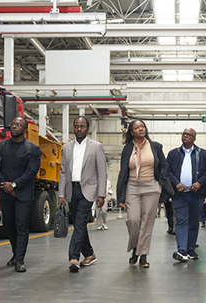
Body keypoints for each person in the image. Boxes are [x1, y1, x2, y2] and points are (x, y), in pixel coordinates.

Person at [117, 119, 170, 269]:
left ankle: (143, 254)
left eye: (142, 126)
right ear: (132, 132)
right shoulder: (127, 149)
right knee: (133, 220)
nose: (140, 129)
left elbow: (164, 166)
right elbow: (123, 172)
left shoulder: (155, 146)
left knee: (147, 221)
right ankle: (135, 247)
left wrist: (160, 183)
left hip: (151, 187)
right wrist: (120, 196)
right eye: (136, 127)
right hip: (133, 187)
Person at [0, 117, 41, 273]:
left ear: (25, 130)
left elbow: (31, 172)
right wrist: (5, 185)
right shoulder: (1, 146)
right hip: (6, 193)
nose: (14, 126)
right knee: (9, 225)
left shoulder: (32, 149)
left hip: (23, 194)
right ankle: (15, 253)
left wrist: (14, 185)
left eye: (18, 125)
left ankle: (20, 260)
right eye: (13, 124)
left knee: (21, 225)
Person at [58, 116, 107, 273]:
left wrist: (101, 194)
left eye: (82, 126)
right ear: (73, 128)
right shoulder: (66, 148)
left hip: (88, 190)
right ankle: (89, 254)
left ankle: (73, 257)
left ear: (87, 129)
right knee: (79, 224)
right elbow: (63, 172)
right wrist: (61, 194)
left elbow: (102, 172)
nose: (79, 129)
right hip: (71, 190)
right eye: (77, 126)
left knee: (80, 222)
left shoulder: (96, 147)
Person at [167, 128, 206, 262]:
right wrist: (176, 183)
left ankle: (191, 248)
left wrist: (199, 183)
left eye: (188, 135)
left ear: (194, 138)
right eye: (183, 134)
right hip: (179, 195)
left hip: (196, 195)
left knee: (193, 222)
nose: (185, 136)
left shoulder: (202, 153)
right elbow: (167, 171)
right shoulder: (173, 153)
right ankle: (181, 250)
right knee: (181, 220)